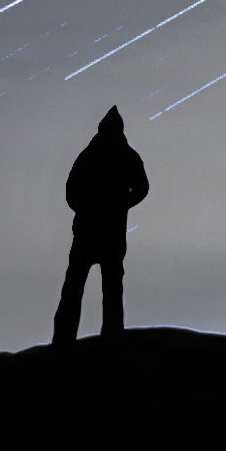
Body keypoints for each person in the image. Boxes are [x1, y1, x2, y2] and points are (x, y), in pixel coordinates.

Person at [52, 105, 146, 345]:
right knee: (96, 286)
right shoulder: (122, 155)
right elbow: (142, 188)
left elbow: (71, 191)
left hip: (93, 231)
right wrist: (120, 204)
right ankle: (101, 337)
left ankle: (69, 340)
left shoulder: (91, 155)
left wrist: (117, 204)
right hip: (102, 231)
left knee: (86, 286)